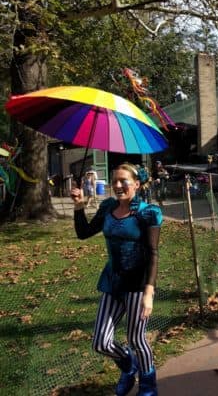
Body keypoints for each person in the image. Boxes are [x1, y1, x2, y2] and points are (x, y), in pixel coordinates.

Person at [70, 163, 162, 396]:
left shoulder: (147, 213)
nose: (118, 185)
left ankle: (148, 383)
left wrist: (149, 293)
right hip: (112, 282)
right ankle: (129, 366)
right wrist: (79, 205)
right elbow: (83, 233)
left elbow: (152, 253)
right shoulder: (108, 207)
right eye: (115, 181)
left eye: (124, 181)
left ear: (137, 184)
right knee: (100, 342)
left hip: (138, 285)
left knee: (136, 338)